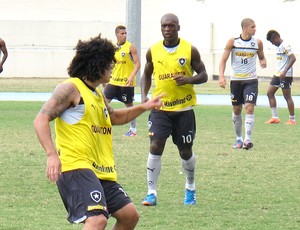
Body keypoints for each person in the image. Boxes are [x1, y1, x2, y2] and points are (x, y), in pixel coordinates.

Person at [34, 34, 163, 229]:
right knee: (97, 220)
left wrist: (144, 107)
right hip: (76, 166)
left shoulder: (97, 93)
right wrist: (52, 155)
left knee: (129, 216)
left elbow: (115, 118)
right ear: (97, 64)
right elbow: (41, 119)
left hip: (100, 170)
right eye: (110, 64)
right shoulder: (70, 88)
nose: (114, 67)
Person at [140, 13, 208, 206]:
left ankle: (190, 188)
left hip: (184, 110)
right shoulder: (153, 50)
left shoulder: (189, 50)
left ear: (178, 27)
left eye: (171, 26)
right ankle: (151, 193)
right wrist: (144, 95)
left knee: (185, 152)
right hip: (160, 108)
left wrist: (189, 79)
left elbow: (203, 75)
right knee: (155, 145)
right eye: (164, 26)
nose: (167, 29)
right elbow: (146, 74)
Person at [219, 18, 267, 150]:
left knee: (249, 107)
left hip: (251, 80)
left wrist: (263, 61)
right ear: (245, 28)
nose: (255, 29)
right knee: (237, 109)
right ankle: (238, 138)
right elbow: (223, 60)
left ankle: (247, 139)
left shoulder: (257, 42)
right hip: (236, 81)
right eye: (253, 27)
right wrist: (222, 77)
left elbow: (262, 57)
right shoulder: (233, 42)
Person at [104, 25, 141, 137]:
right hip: (113, 81)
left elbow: (138, 64)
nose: (124, 35)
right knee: (103, 103)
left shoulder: (130, 47)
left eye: (125, 33)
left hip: (126, 83)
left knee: (129, 106)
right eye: (122, 33)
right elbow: (108, 64)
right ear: (116, 35)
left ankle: (133, 130)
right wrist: (105, 81)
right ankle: (102, 126)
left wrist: (131, 77)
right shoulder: (113, 48)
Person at [265, 30, 297, 125]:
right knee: (269, 93)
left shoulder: (285, 45)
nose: (272, 43)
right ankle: (275, 117)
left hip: (285, 75)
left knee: (287, 96)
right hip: (277, 74)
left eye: (272, 41)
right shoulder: (278, 47)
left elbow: (293, 58)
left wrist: (285, 71)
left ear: (276, 37)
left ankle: (292, 119)